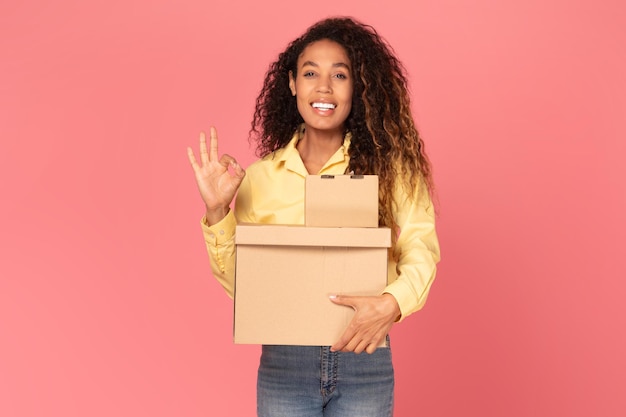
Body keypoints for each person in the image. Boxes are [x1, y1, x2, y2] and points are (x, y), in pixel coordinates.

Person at [187, 16, 440, 417]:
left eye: (339, 75)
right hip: (285, 363)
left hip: (365, 355)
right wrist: (218, 211)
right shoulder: (258, 179)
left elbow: (421, 251)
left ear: (358, 86)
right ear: (292, 84)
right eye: (310, 73)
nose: (323, 87)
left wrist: (392, 303)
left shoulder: (393, 172)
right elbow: (244, 287)